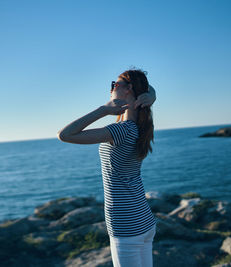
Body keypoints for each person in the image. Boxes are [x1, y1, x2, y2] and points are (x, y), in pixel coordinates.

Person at [57, 68, 157, 267]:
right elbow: (146, 88)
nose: (111, 89)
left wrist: (104, 109)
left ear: (129, 89)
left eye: (115, 84)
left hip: (126, 225)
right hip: (144, 220)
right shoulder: (140, 126)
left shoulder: (122, 130)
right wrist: (152, 95)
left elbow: (65, 135)